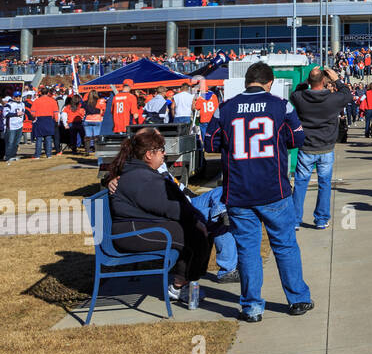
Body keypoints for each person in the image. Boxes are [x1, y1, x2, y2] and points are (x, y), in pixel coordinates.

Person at [206, 61, 313, 322]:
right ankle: (297, 300)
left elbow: (210, 143)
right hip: (273, 188)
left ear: (246, 82)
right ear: (270, 82)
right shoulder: (280, 105)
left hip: (239, 191)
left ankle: (252, 307)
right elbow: (297, 139)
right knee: (285, 245)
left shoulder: (225, 109)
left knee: (248, 249)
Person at [105, 128, 214, 308]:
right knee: (194, 234)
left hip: (143, 225)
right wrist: (194, 221)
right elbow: (171, 207)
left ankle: (182, 281)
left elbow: (172, 206)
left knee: (199, 231)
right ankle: (181, 285)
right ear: (149, 154)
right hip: (131, 232)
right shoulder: (142, 178)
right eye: (161, 149)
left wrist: (195, 219)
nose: (165, 153)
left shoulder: (143, 172)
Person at [289, 66, 352, 230]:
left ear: (310, 82)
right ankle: (321, 219)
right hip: (326, 147)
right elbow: (347, 94)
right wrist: (336, 78)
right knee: (324, 184)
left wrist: (308, 79)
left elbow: (295, 92)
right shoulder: (333, 99)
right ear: (325, 81)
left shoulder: (300, 97)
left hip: (307, 147)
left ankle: (295, 220)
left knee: (301, 184)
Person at [29, 87, 58, 159]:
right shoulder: (52, 101)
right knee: (48, 138)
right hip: (49, 119)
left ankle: (37, 155)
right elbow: (56, 112)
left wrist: (34, 117)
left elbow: (32, 113)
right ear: (48, 93)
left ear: (41, 93)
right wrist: (56, 121)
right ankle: (49, 155)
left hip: (40, 119)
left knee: (39, 138)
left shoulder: (36, 101)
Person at [3, 90, 25, 162]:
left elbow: (23, 112)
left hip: (19, 124)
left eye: (19, 96)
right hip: (12, 125)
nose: (18, 98)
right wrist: (15, 114)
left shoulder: (22, 104)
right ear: (13, 97)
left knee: (17, 142)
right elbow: (5, 114)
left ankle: (13, 155)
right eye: (16, 97)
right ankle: (8, 156)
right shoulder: (9, 104)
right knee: (10, 141)